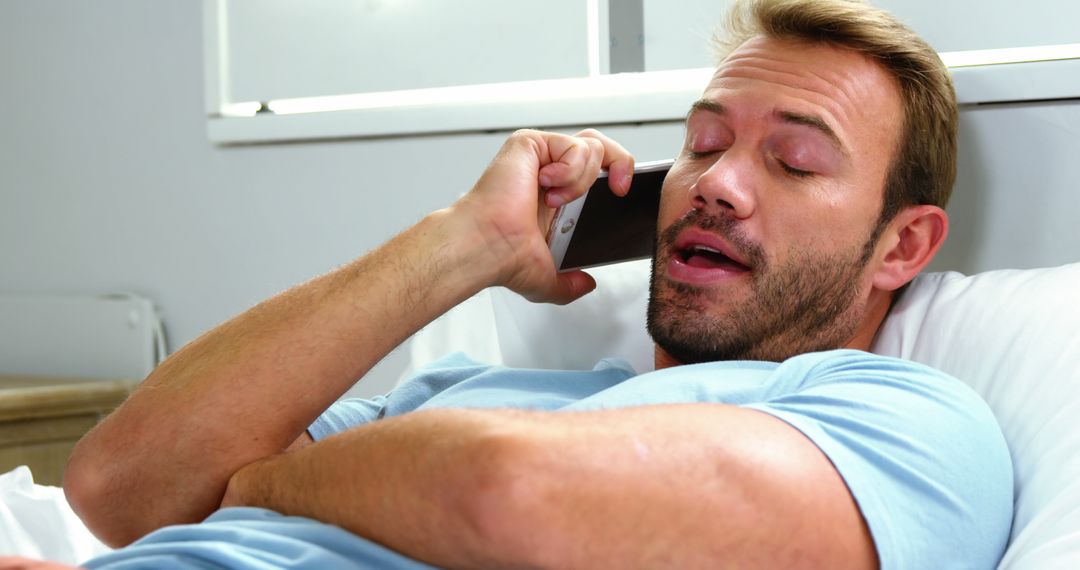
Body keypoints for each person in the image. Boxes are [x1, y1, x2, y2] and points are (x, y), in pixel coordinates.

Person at [21, 0, 1011, 568]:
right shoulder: (456, 399)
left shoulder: (903, 421)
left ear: (903, 245)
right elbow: (122, 489)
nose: (716, 185)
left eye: (794, 164)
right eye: (704, 143)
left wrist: (261, 482)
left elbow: (509, 493)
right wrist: (463, 243)